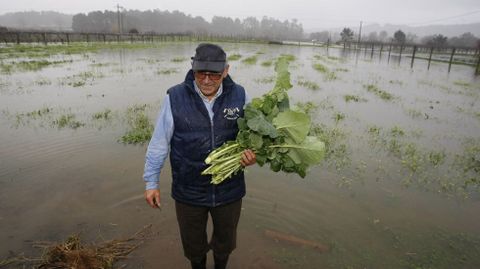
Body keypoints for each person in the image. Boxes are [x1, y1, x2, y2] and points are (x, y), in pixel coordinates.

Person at [143, 43, 256, 269]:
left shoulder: (240, 96)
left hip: (229, 191)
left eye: (213, 74)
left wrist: (253, 156)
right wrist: (151, 181)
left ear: (226, 70)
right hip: (188, 191)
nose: (205, 80)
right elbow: (158, 143)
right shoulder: (175, 97)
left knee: (225, 245)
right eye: (200, 73)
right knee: (194, 248)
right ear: (192, 69)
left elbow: (253, 138)